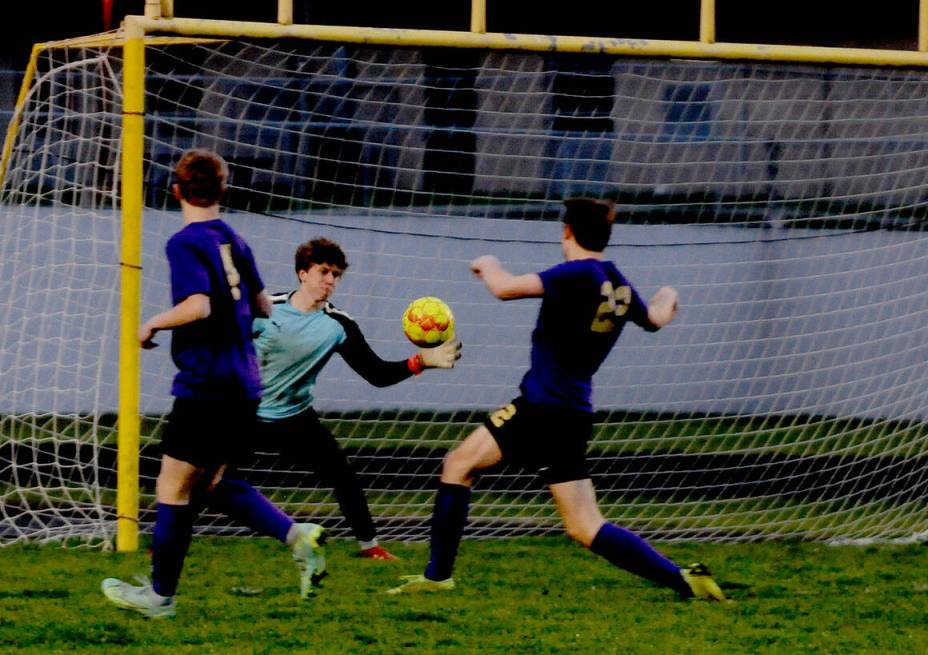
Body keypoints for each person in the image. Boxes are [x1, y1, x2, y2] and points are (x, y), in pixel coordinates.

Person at [387, 197, 726, 601]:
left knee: (458, 464)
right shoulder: (614, 280)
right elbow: (654, 318)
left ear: (566, 232)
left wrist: (487, 264)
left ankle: (437, 576)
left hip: (540, 409)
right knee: (585, 526)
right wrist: (668, 293)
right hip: (573, 414)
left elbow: (504, 288)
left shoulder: (574, 274)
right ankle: (684, 579)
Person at [101, 149, 327, 618]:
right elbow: (265, 305)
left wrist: (152, 324)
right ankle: (297, 536)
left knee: (172, 488)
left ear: (176, 190)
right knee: (211, 484)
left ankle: (160, 597)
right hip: (245, 385)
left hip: (206, 385)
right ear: (223, 190)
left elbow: (198, 306)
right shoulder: (234, 240)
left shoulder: (185, 242)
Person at [248, 237, 462, 560]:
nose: (331, 281)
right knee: (205, 474)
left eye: (336, 275)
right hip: (246, 411)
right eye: (324, 272)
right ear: (303, 273)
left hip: (295, 417)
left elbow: (375, 373)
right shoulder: (266, 308)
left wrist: (420, 362)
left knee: (343, 476)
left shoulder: (338, 325)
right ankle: (165, 541)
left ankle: (370, 547)